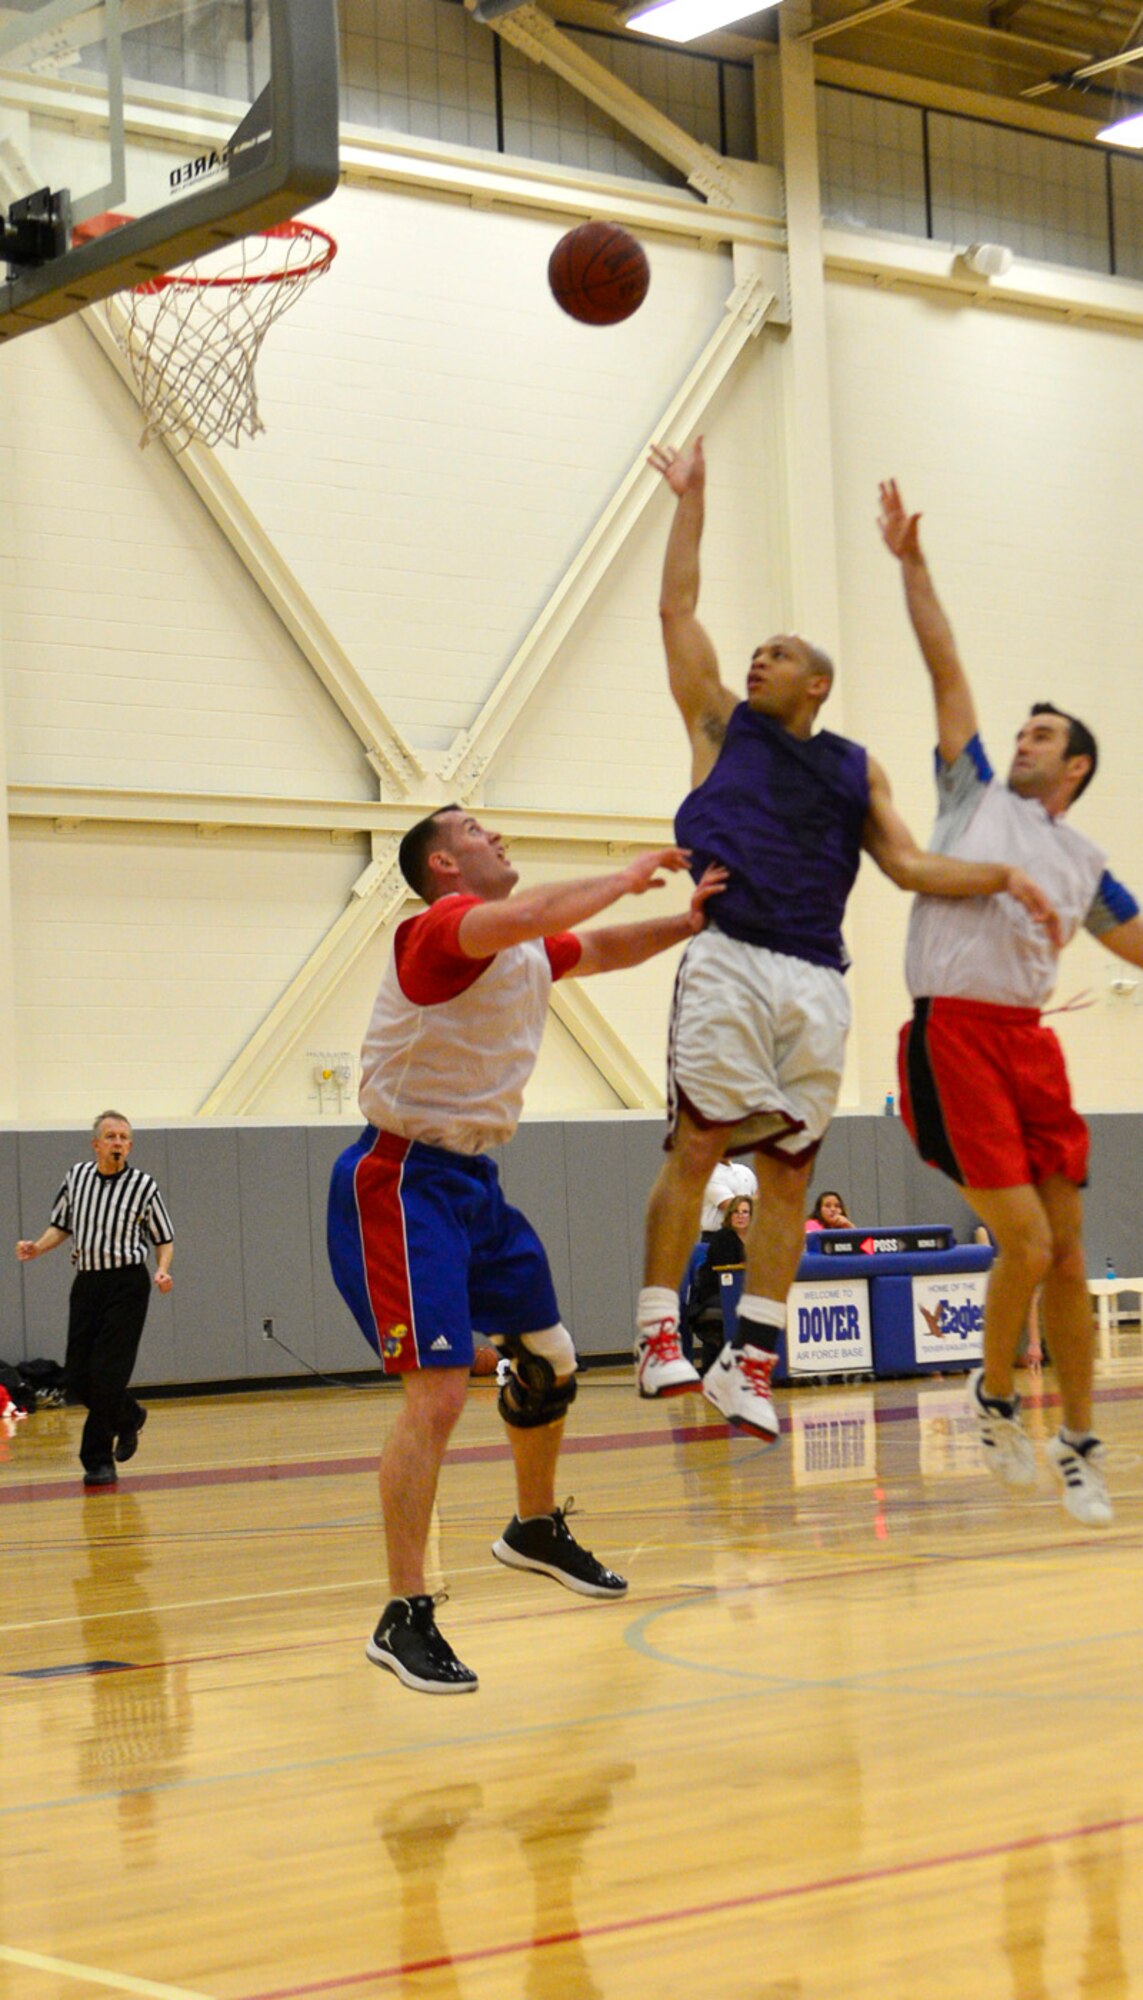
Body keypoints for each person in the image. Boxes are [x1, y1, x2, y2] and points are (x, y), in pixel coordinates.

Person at [633, 436, 1060, 1441]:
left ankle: (753, 1360)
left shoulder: (856, 767)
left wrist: (1004, 874)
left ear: (814, 684)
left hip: (818, 975)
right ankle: (660, 1332)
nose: (757, 659)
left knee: (787, 1173)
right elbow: (676, 612)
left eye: (777, 654)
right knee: (700, 1140)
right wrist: (690, 501)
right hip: (733, 947)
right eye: (758, 652)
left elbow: (909, 866)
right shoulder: (720, 724)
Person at [327, 806, 725, 1695]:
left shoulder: (520, 950)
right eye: (474, 829)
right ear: (442, 861)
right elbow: (535, 917)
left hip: (474, 1183)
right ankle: (403, 1612)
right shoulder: (434, 930)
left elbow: (600, 950)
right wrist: (621, 876)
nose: (494, 833)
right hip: (400, 1181)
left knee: (550, 1362)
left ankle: (533, 1526)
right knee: (435, 1398)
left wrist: (684, 920)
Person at [879, 478, 1143, 1526]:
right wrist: (910, 562)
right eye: (1021, 729)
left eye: (1043, 736)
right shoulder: (970, 794)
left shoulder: (1084, 861)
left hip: (1030, 1044)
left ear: (1074, 768)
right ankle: (993, 1399)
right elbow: (946, 664)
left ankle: (1077, 1434)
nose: (1022, 740)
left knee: (1066, 1251)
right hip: (955, 1031)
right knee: (1025, 1242)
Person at [16, 1111, 174, 1488]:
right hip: (87, 1284)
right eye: (111, 1136)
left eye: (124, 1137)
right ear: (96, 1144)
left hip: (127, 1286)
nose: (118, 1142)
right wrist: (37, 1247)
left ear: (130, 1146)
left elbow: (163, 1238)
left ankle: (98, 1460)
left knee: (108, 1375)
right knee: (77, 1377)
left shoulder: (143, 1186)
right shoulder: (77, 1178)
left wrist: (163, 1269)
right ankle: (129, 1414)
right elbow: (62, 1225)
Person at [683, 1195, 751, 1372]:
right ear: (729, 1215)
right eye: (736, 1211)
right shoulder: (722, 1238)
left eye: (745, 1212)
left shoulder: (757, 1239)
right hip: (716, 1293)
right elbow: (729, 1272)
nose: (740, 1215)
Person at [699, 1156, 758, 1238]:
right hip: (716, 1237)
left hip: (746, 1237)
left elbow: (763, 1198)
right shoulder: (709, 1175)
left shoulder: (744, 1171)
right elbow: (732, 1207)